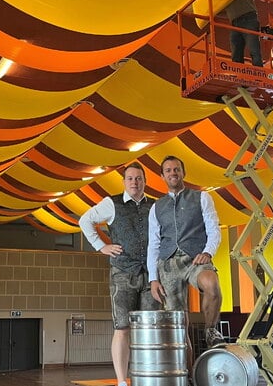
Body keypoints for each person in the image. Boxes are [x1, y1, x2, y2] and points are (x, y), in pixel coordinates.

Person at [78, 162, 160, 386]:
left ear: (145, 181)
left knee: (149, 328)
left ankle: (148, 377)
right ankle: (123, 381)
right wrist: (100, 246)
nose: (135, 182)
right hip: (122, 273)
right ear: (124, 182)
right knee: (122, 327)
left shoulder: (155, 206)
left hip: (151, 275)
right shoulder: (111, 203)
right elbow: (85, 220)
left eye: (139, 178)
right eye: (131, 178)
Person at [147, 155, 224, 356]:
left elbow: (214, 229)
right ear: (162, 176)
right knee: (178, 328)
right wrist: (153, 279)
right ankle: (187, 376)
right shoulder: (156, 207)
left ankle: (211, 331)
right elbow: (153, 244)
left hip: (195, 258)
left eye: (176, 169)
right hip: (168, 264)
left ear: (183, 172)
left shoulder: (202, 197)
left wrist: (208, 252)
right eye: (168, 170)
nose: (173, 173)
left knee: (212, 285)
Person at [224, 0, 265, 66]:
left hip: (248, 18)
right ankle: (240, 74)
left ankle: (259, 73)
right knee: (236, 54)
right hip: (236, 23)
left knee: (253, 49)